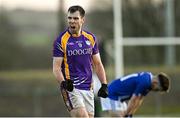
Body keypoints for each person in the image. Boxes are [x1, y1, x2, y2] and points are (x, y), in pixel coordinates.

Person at [53, 5, 108, 117]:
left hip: (88, 87)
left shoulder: (91, 38)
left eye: (75, 18)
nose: (72, 21)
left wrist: (104, 84)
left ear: (83, 20)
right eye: (69, 18)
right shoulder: (61, 41)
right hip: (71, 88)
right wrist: (64, 83)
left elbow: (98, 64)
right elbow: (56, 68)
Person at [100, 71, 170, 117]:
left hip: (119, 99)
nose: (156, 91)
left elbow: (139, 100)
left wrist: (130, 114)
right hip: (111, 94)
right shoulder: (145, 82)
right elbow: (133, 99)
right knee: (120, 116)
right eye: (157, 89)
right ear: (156, 83)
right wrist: (127, 115)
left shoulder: (148, 81)